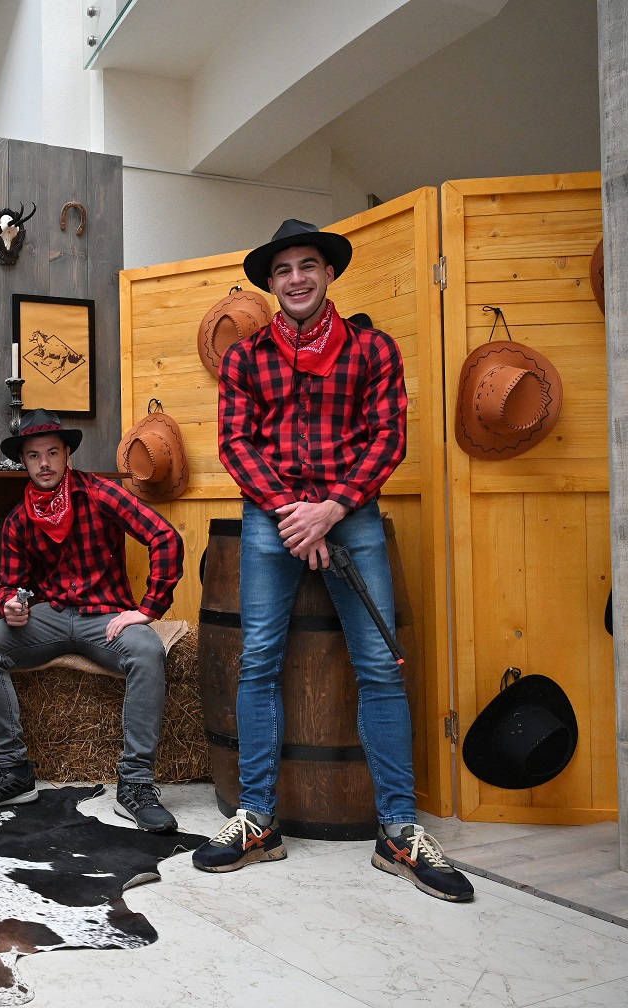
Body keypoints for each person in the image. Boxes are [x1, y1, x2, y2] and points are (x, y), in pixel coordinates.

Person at [194, 219, 473, 902]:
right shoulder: (245, 358)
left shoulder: (373, 349)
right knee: (259, 662)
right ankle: (258, 822)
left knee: (379, 666)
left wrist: (332, 509)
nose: (296, 278)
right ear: (271, 282)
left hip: (353, 514)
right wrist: (295, 513)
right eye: (283, 268)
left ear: (327, 273)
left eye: (308, 265)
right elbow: (236, 444)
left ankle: (398, 831)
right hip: (274, 518)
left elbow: (388, 437)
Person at [0, 410, 184, 832]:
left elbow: (165, 536)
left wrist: (148, 609)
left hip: (105, 615)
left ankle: (135, 785)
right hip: (52, 616)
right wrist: (10, 604)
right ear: (23, 462)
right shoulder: (19, 518)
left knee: (148, 650)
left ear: (67, 456)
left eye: (52, 453)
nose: (44, 463)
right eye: (33, 456)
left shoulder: (100, 494)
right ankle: (12, 771)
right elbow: (10, 585)